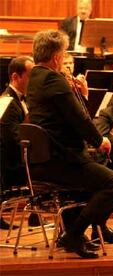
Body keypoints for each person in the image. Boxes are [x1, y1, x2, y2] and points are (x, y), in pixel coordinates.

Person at [27, 30, 113, 258]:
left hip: (45, 160)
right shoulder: (53, 78)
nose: (63, 60)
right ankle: (73, 234)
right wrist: (99, 140)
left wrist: (78, 94)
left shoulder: (35, 77)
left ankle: (76, 234)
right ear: (55, 57)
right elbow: (80, 119)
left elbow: (66, 115)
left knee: (93, 184)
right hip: (63, 160)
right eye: (63, 55)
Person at [0, 56, 34, 230]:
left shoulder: (23, 99)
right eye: (30, 75)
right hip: (11, 166)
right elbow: (12, 140)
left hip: (20, 159)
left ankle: (37, 214)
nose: (34, 80)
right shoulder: (7, 102)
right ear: (15, 77)